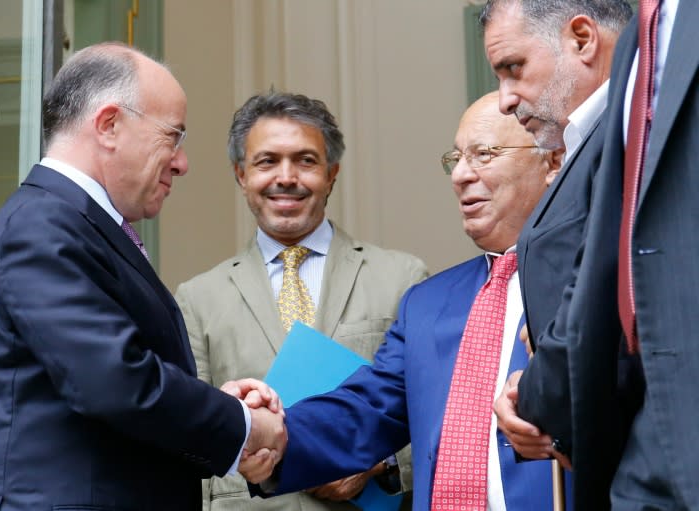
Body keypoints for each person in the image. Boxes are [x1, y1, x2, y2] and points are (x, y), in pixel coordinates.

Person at [0, 42, 286, 511]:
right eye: (173, 136)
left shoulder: (71, 222)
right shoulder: (41, 226)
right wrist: (243, 424)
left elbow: (114, 382)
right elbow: (116, 383)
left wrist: (209, 406)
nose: (182, 162)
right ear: (109, 125)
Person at [241, 91, 566, 510]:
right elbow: (366, 412)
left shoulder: (590, 286)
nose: (460, 175)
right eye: (456, 159)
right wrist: (261, 431)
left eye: (484, 154)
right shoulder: (426, 304)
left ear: (552, 162)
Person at [174, 90, 427, 511]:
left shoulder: (402, 278)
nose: (286, 177)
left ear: (332, 173)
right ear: (241, 174)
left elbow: (438, 412)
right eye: (267, 161)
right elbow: (191, 439)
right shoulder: (197, 298)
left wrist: (379, 463)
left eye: (306, 160)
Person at [548, 1, 698, 508]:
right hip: (647, 428)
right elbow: (607, 254)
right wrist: (538, 399)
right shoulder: (640, 35)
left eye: (512, 67)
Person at [478, 0, 632, 463]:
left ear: (582, 39)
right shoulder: (599, 137)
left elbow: (604, 311)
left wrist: (534, 397)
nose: (504, 99)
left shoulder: (632, 136)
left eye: (513, 68)